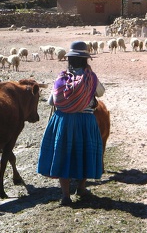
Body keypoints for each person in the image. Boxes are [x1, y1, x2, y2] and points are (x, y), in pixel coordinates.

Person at [37, 41, 105, 206]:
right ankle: (81, 188)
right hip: (85, 121)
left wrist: (69, 100)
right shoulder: (90, 77)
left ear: (70, 60)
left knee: (63, 155)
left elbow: (51, 102)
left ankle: (66, 195)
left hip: (64, 121)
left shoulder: (61, 78)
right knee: (85, 153)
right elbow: (101, 93)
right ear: (85, 60)